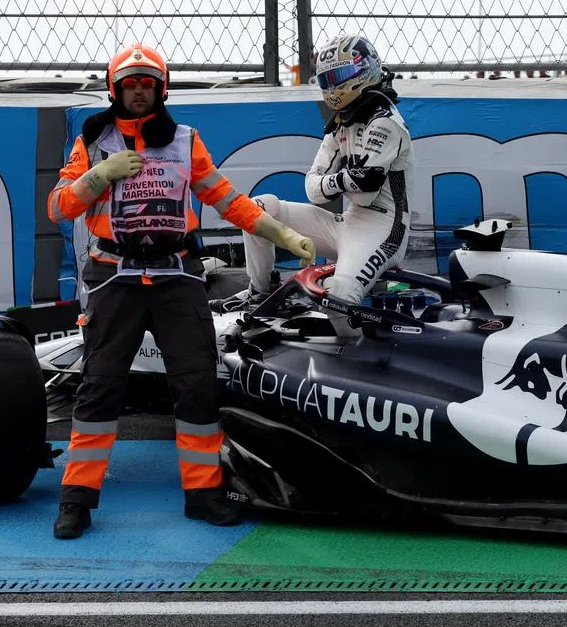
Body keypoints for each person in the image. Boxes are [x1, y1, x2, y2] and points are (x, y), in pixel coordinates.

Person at [46, 44, 316, 539]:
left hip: (178, 277)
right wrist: (98, 175)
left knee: (195, 386)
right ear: (115, 88)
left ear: (161, 87)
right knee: (100, 388)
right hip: (114, 277)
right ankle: (77, 500)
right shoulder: (93, 141)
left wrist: (281, 235)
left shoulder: (185, 141)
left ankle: (203, 494)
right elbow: (59, 206)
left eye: (148, 82)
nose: (139, 90)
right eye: (130, 83)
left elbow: (227, 199)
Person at [215, 34, 414, 311]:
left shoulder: (386, 122)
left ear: (365, 68)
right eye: (327, 80)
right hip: (347, 223)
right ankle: (260, 292)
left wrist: (334, 182)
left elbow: (366, 192)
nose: (333, 87)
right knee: (257, 208)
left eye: (341, 75)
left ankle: (350, 349)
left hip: (384, 233)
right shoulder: (342, 122)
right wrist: (347, 179)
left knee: (338, 296)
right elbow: (313, 190)